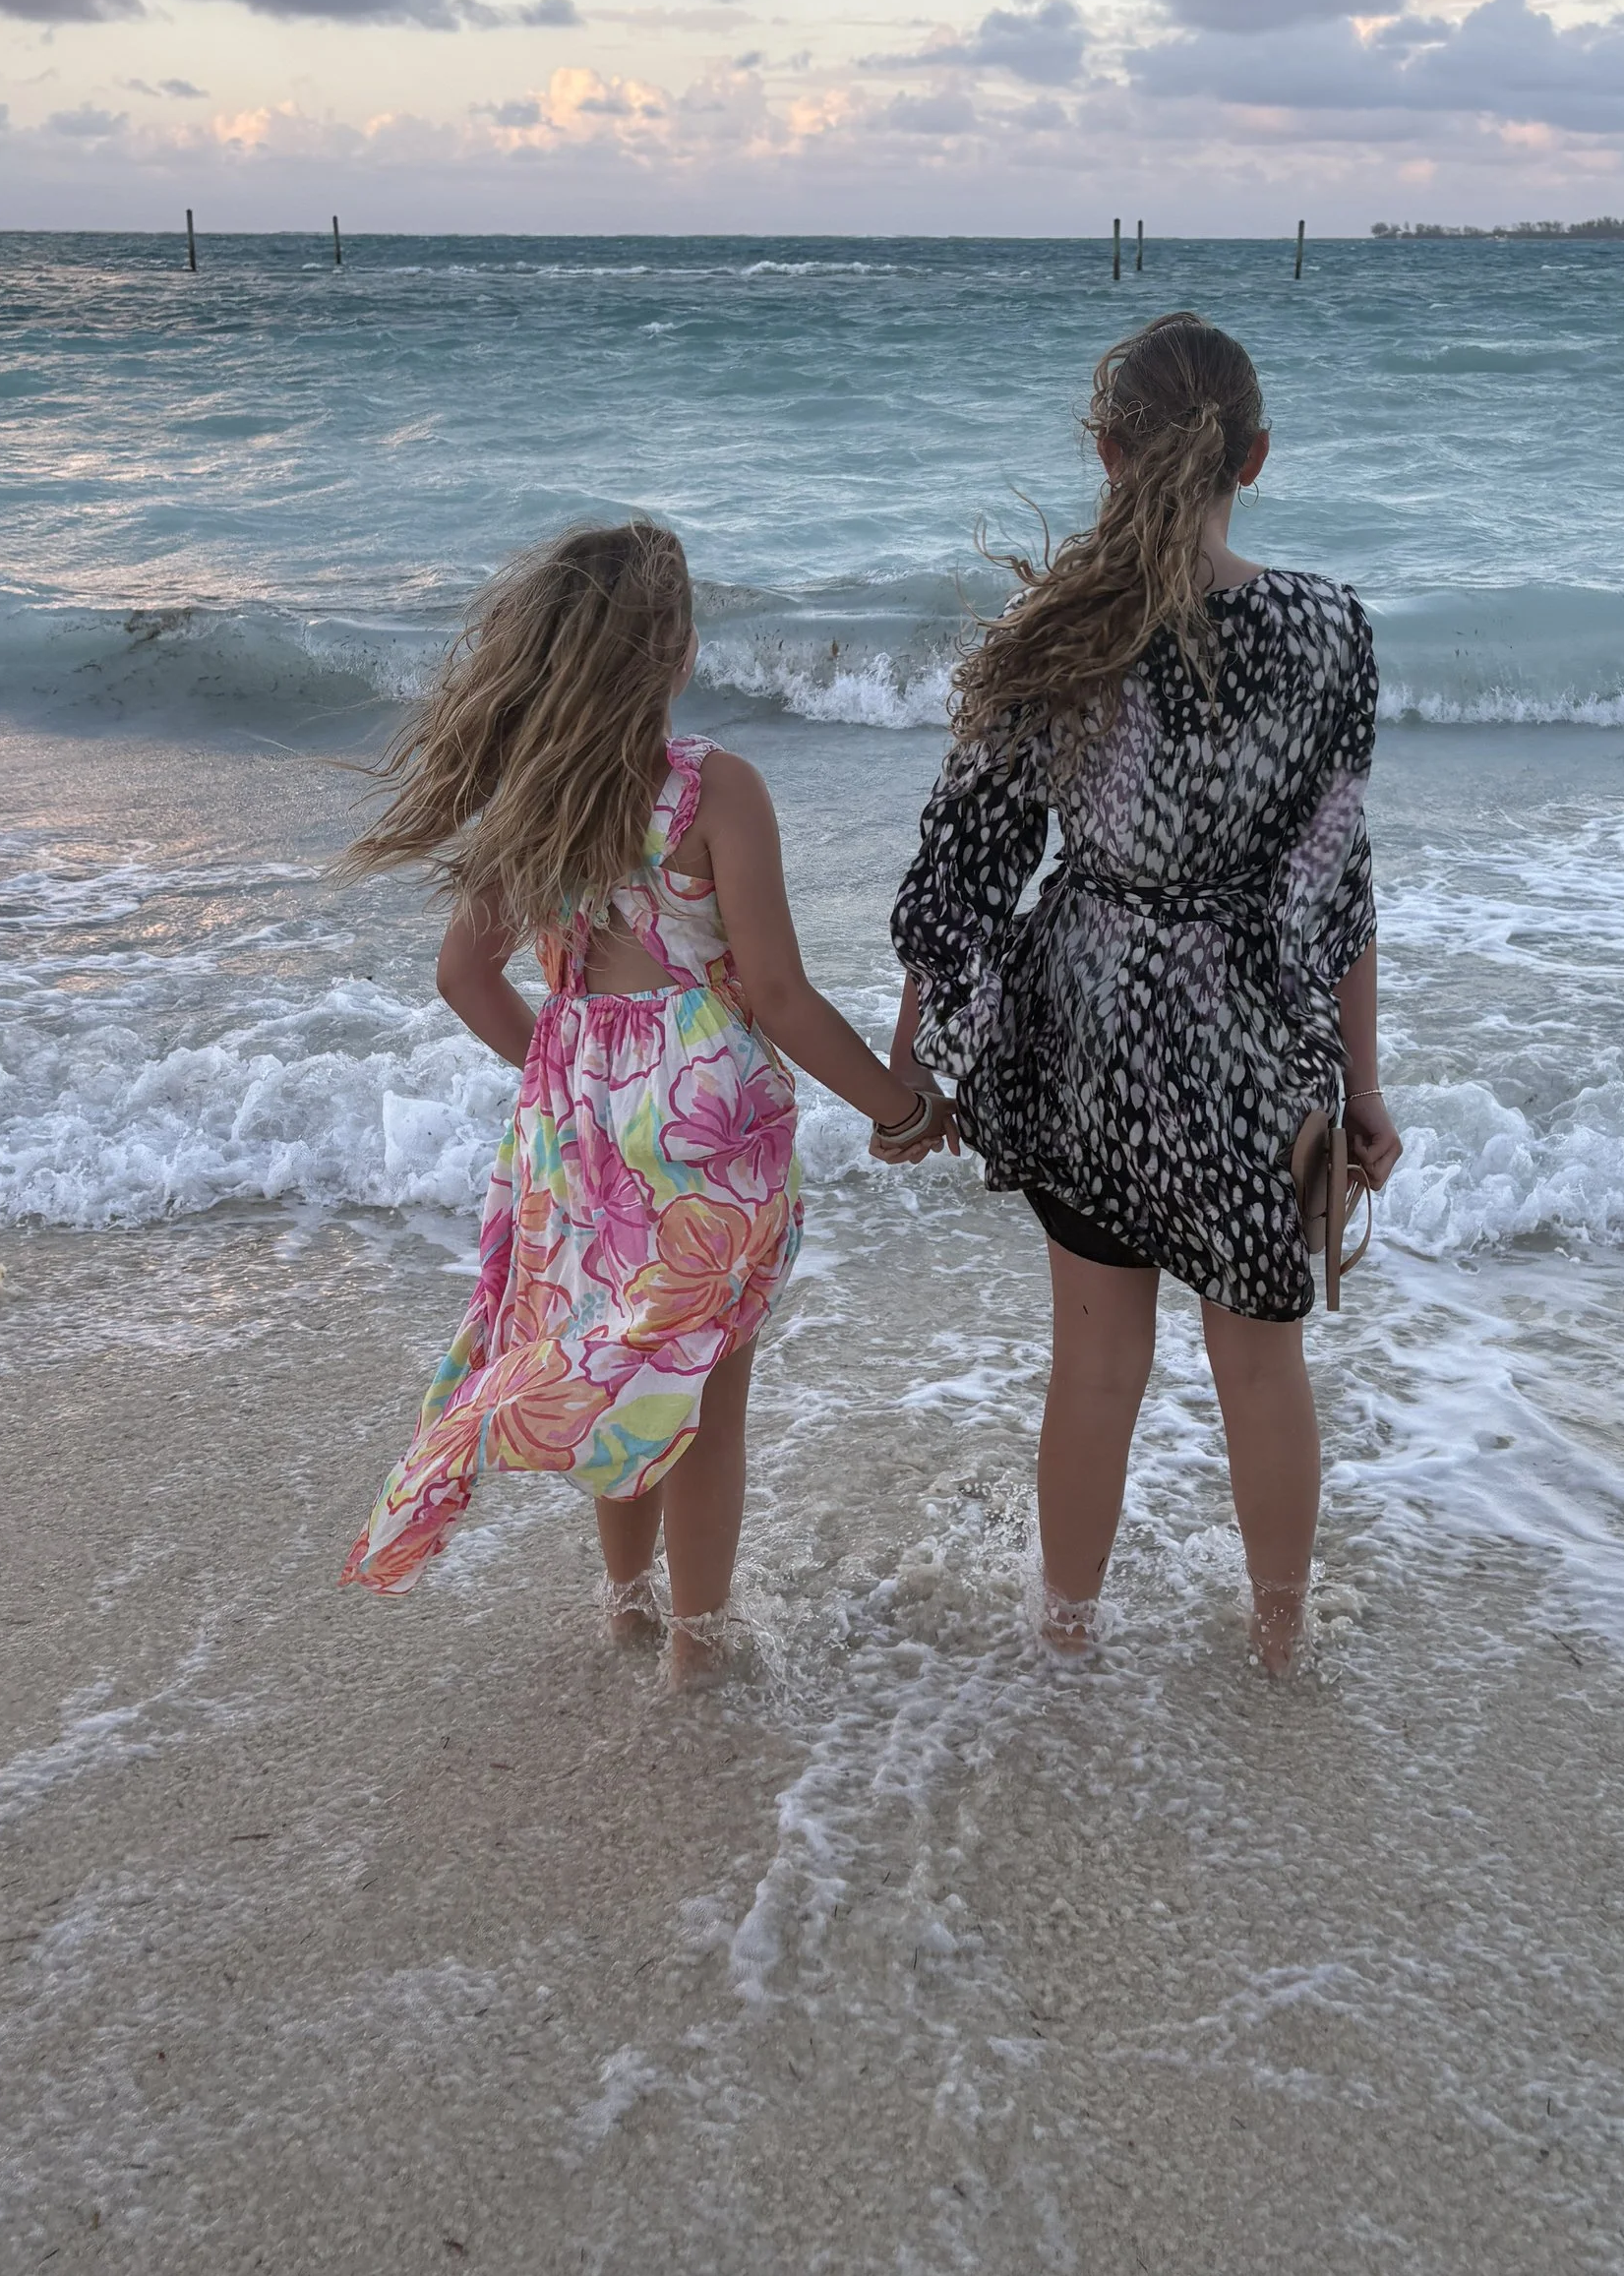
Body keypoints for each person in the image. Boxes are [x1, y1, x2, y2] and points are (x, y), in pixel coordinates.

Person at [338, 519, 948, 1683]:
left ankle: (623, 1606)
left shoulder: (531, 798)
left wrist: (565, 1078)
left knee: (609, 1361)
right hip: (704, 1117)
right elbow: (773, 990)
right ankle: (694, 1644)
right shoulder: (714, 789)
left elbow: (463, 977)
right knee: (706, 1383)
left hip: (576, 1118)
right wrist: (900, 1107)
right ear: (670, 652)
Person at [889, 314, 1398, 1674]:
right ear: (1260, 457)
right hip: (1243, 1037)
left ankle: (1067, 1638)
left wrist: (910, 1066)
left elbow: (967, 866)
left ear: (1106, 454)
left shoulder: (1059, 626)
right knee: (1262, 1364)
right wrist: (1363, 1087)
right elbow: (1333, 881)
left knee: (1098, 1363)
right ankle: (1280, 1645)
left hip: (1090, 1025)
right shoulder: (1329, 631)